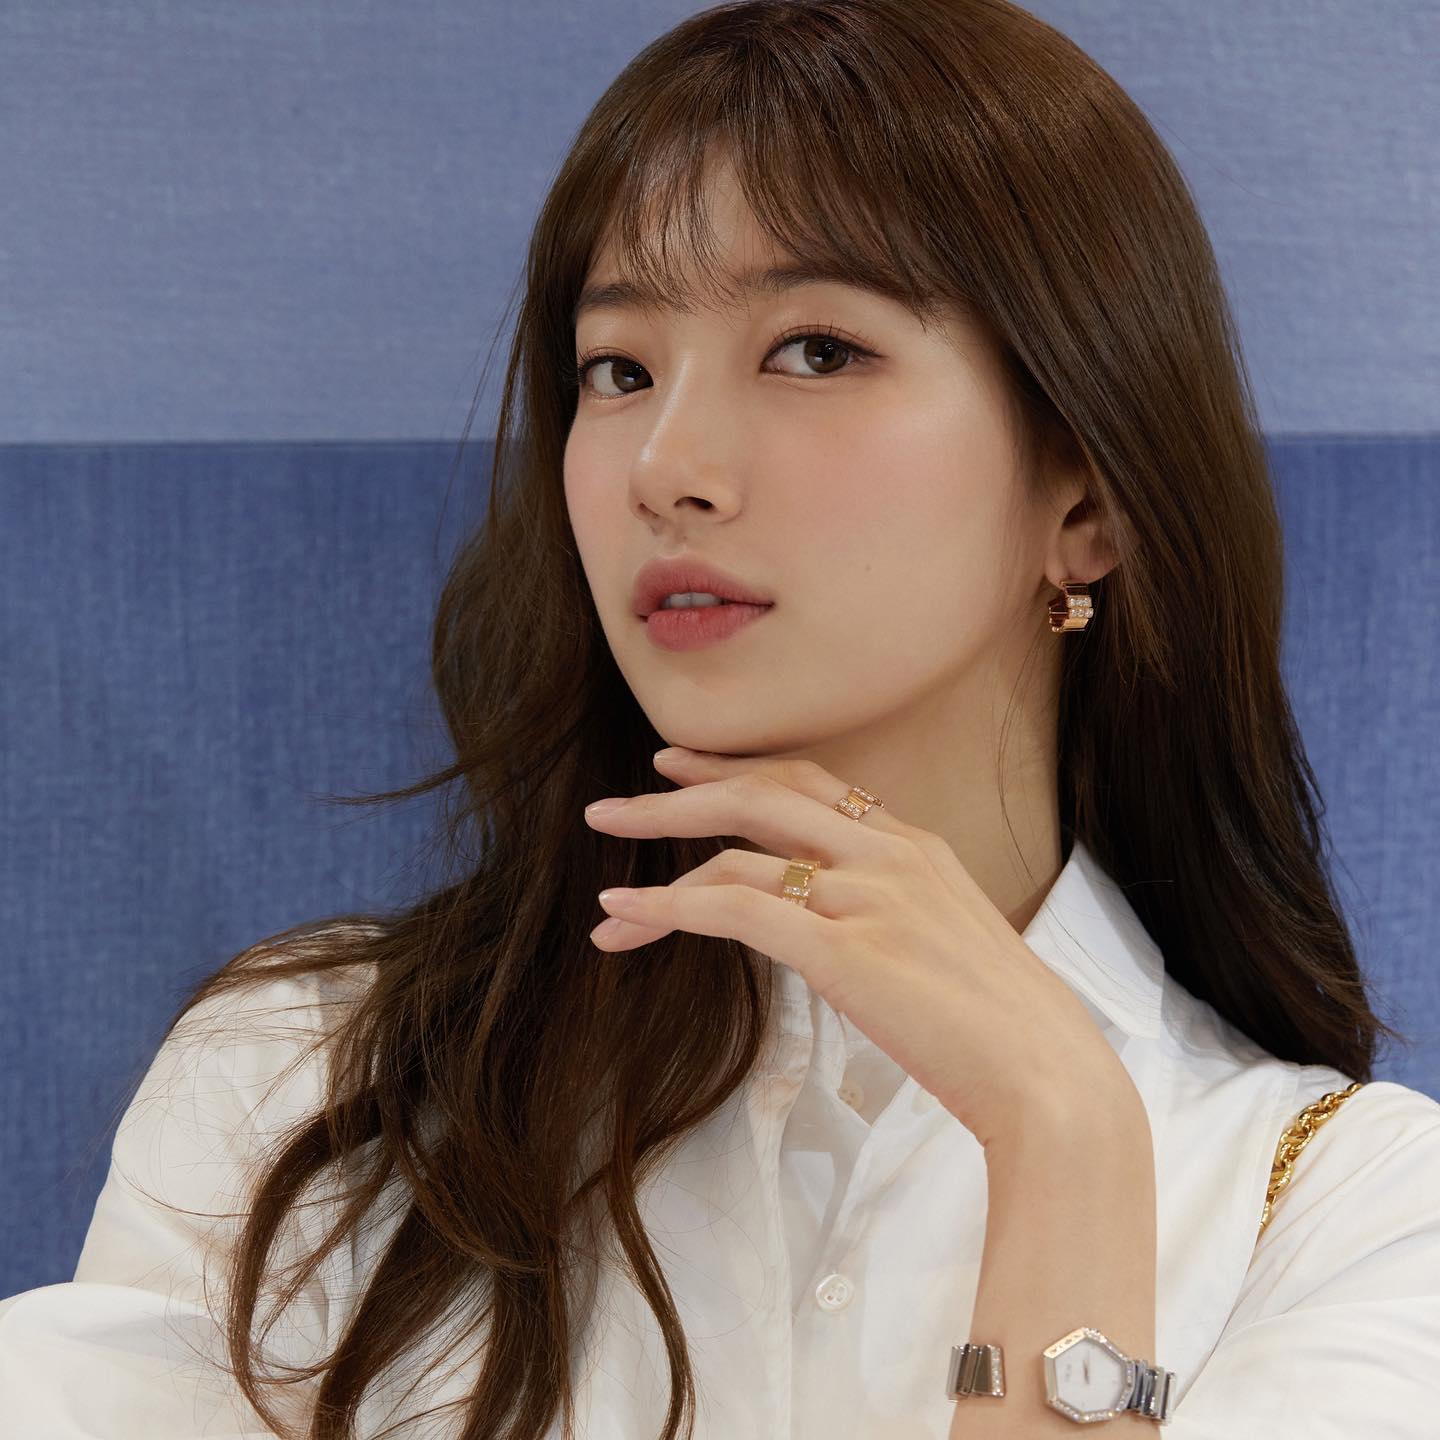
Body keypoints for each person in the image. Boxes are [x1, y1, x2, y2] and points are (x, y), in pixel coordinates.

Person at [3, 0, 1438, 1435]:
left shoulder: (1354, 1212)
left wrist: (1062, 1140)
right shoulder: (312, 1088)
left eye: (815, 351)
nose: (666, 465)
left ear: (1088, 497)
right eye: (618, 370)